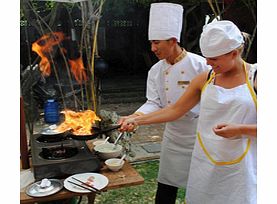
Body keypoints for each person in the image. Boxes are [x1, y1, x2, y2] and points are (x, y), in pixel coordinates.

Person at [120, 20, 257, 204]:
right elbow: (175, 109)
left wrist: (240, 129)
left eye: (214, 59)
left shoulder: (256, 77)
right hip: (206, 157)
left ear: (234, 53)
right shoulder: (206, 78)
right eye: (206, 57)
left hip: (243, 164)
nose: (208, 62)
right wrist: (136, 119)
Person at [118, 2, 210, 204]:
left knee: (200, 186)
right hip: (173, 137)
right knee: (166, 185)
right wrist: (135, 117)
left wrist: (139, 120)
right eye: (151, 42)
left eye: (157, 42)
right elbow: (154, 102)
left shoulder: (201, 65)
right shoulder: (156, 71)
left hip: (198, 136)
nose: (152, 48)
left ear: (173, 40)